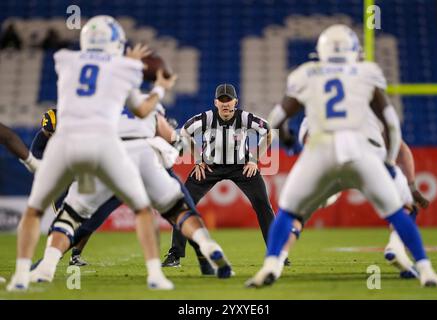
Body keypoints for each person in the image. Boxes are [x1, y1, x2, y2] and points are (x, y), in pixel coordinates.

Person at [245, 24, 437, 288]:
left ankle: (272, 264)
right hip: (361, 151)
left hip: (320, 151)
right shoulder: (366, 75)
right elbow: (393, 125)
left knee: (289, 211)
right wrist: (389, 164)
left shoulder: (306, 76)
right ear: (354, 52)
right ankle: (425, 269)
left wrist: (289, 141)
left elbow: (276, 120)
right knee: (398, 212)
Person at [7, 15, 177, 291]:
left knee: (34, 209)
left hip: (66, 142)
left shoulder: (65, 59)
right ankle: (155, 274)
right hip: (103, 142)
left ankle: (22, 276)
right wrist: (159, 87)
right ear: (116, 44)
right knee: (142, 208)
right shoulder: (124, 68)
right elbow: (143, 110)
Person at [29, 99, 233, 282]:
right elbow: (172, 137)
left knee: (80, 219)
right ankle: (205, 256)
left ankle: (48, 261)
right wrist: (174, 142)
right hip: (147, 158)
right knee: (183, 212)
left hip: (113, 164)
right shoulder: (144, 102)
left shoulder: (98, 110)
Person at [275, 116, 431, 279]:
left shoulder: (314, 111)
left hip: (326, 166)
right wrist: (411, 186)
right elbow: (401, 149)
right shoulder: (367, 108)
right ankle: (396, 247)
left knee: (295, 215)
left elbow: (305, 144)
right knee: (405, 207)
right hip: (366, 163)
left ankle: (276, 262)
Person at [162, 83, 285, 270]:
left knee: (262, 203)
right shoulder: (206, 118)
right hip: (210, 166)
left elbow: (268, 131)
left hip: (242, 167)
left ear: (236, 102)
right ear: (216, 102)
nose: (226, 104)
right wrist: (198, 160)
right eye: (222, 100)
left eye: (229, 100)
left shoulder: (244, 117)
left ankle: (276, 252)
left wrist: (253, 160)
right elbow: (185, 132)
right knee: (182, 204)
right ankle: (175, 254)